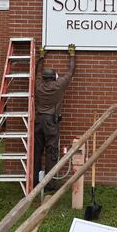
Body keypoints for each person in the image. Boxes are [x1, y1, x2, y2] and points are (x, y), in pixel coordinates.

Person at [34, 43, 76, 190]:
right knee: (51, 151)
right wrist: (71, 54)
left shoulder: (38, 84)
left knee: (37, 151)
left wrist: (41, 56)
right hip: (51, 121)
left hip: (38, 120)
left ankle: (35, 182)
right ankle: (50, 184)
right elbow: (70, 72)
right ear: (54, 77)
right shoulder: (58, 86)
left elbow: (37, 72)